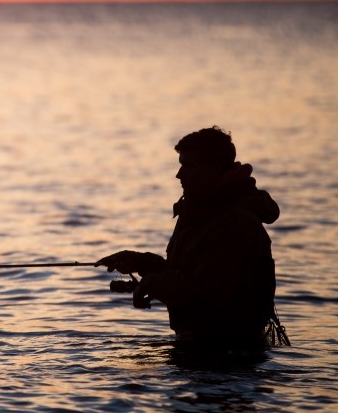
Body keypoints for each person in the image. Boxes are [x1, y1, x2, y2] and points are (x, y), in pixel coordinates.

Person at [95, 127, 288, 347]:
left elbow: (205, 293)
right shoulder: (196, 214)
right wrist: (140, 262)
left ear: (213, 168)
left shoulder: (238, 225)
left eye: (188, 166)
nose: (179, 174)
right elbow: (186, 273)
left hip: (230, 355)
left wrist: (150, 283)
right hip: (196, 349)